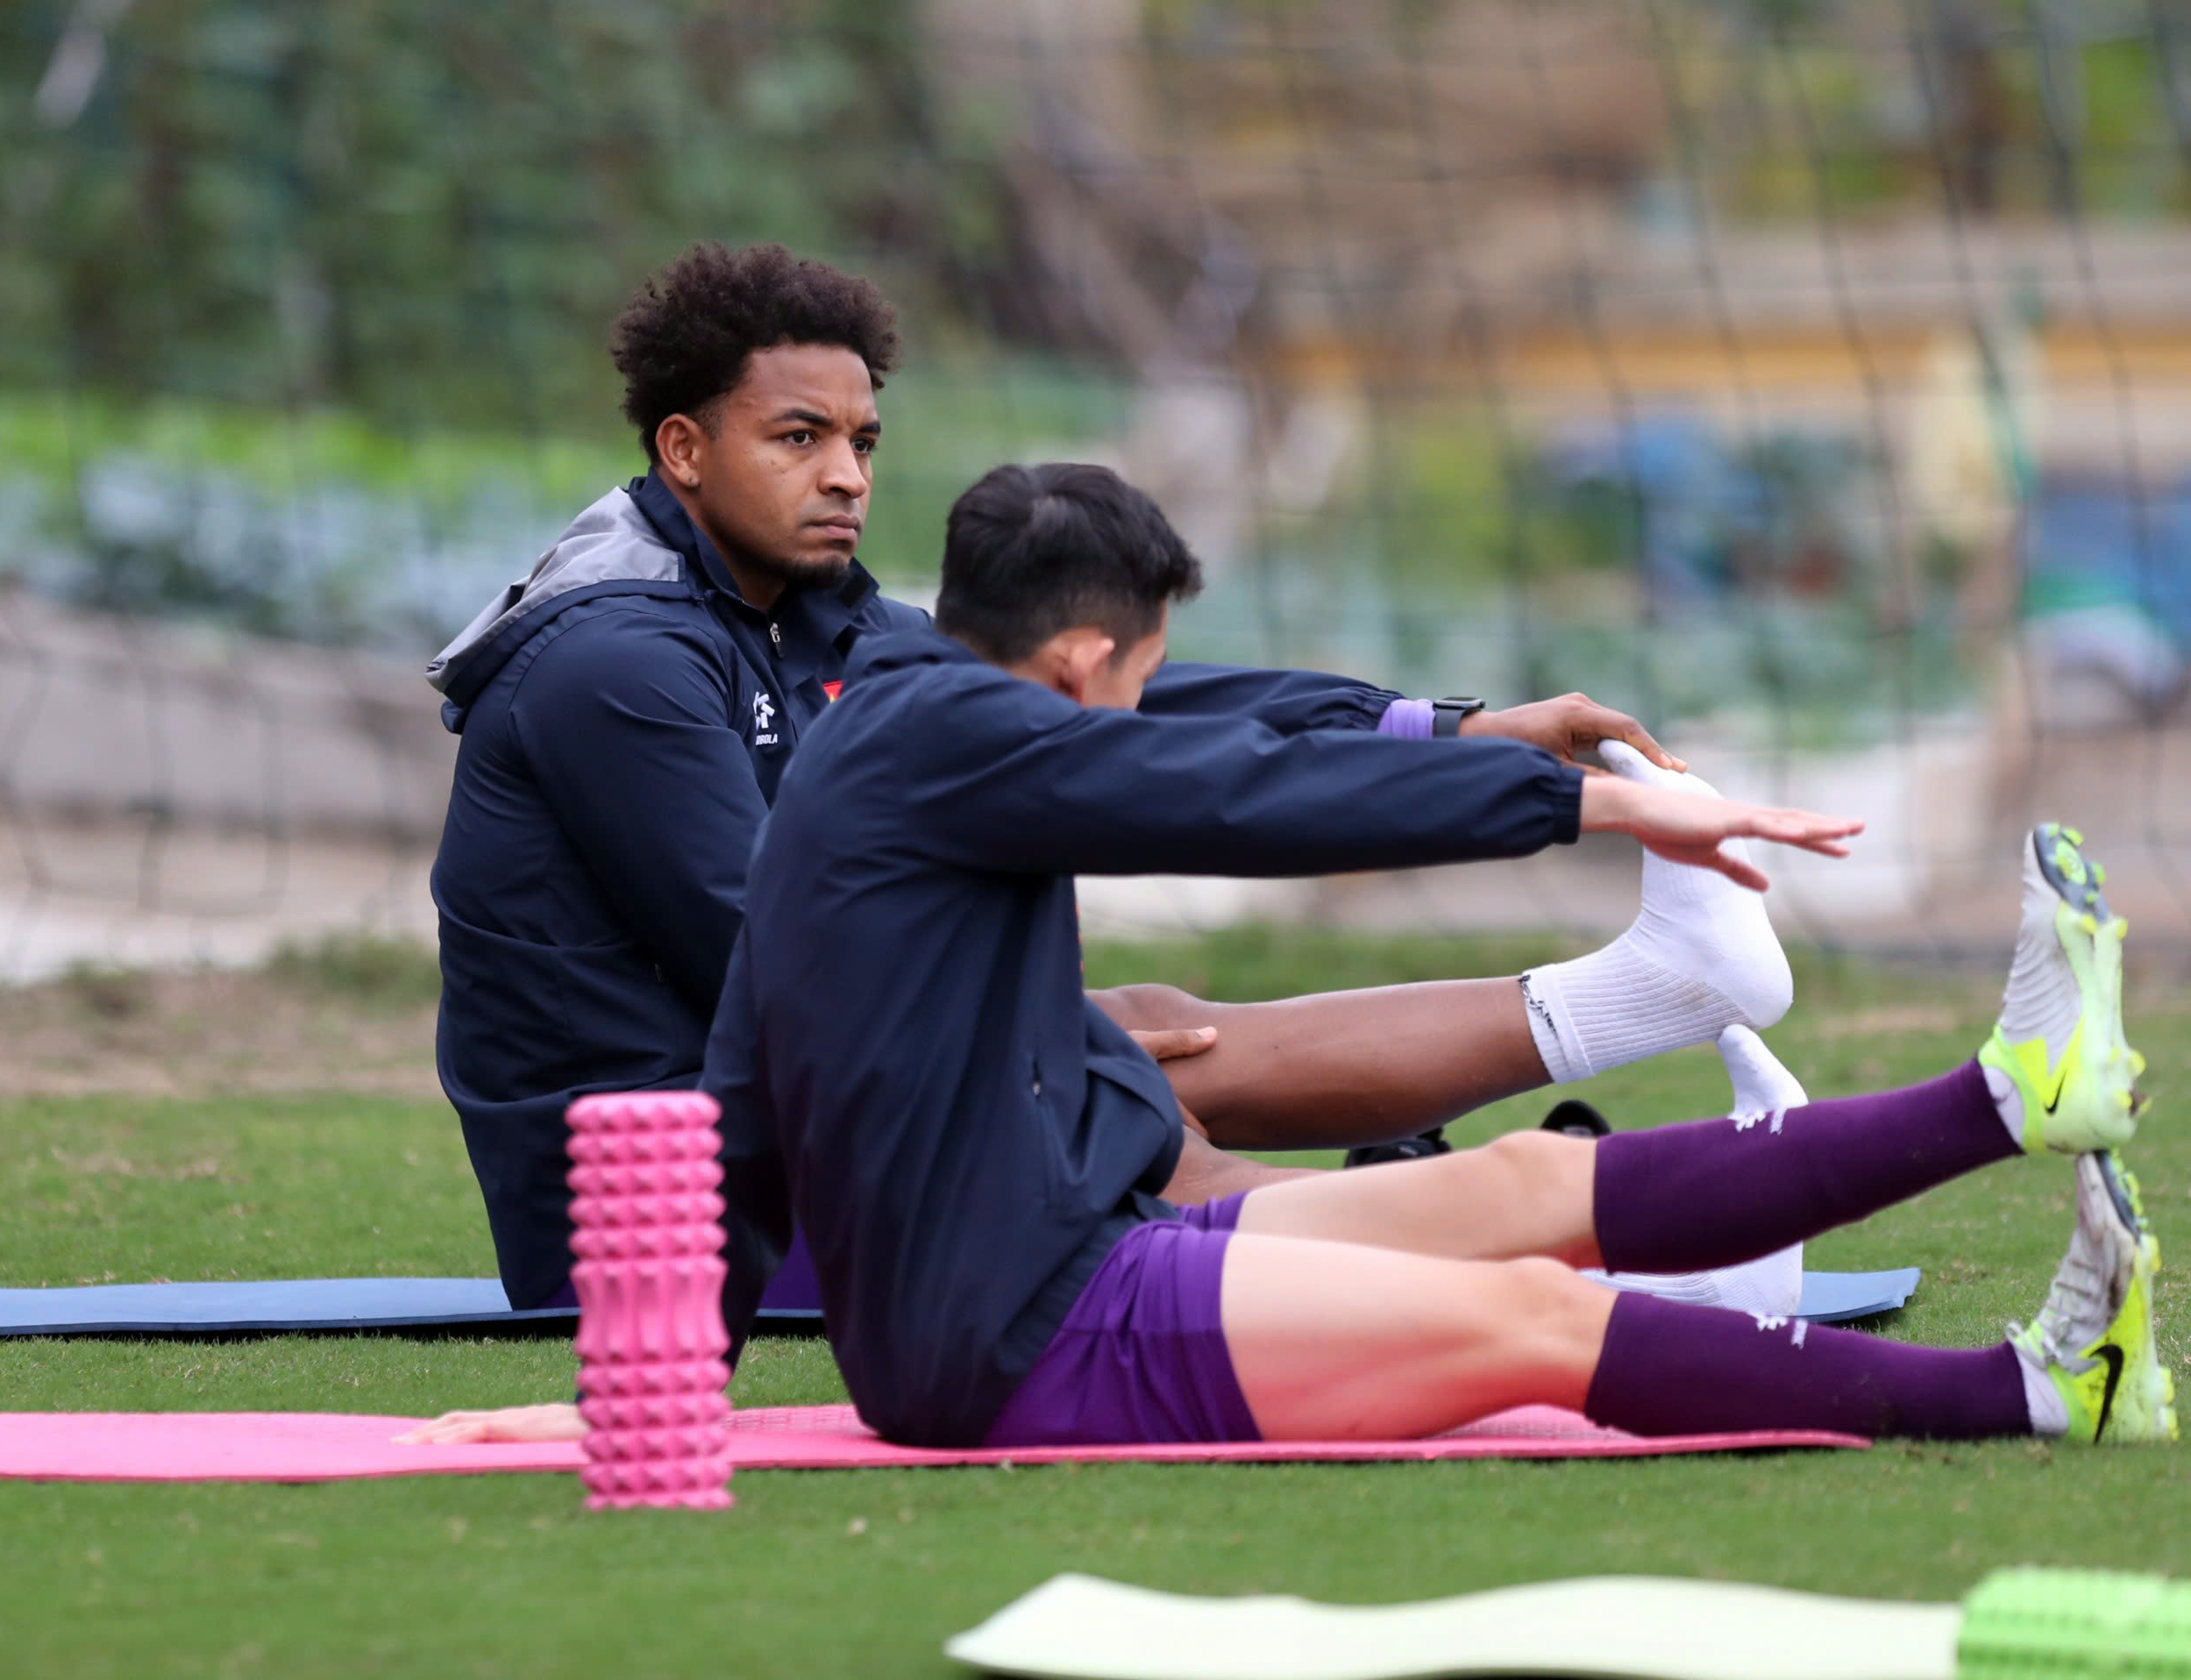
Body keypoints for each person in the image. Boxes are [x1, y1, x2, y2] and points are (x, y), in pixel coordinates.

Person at [399, 464, 2173, 1452]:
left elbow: (738, 1075)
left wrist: (1479, 731)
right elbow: (1222, 783)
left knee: (1509, 1202)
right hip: (1018, 1340)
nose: (1146, 691)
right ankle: (2023, 1390)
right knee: (1530, 1322)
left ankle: (2016, 1094)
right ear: (1082, 656)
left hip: (1065, 1255)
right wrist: (1582, 813)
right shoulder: (946, 742)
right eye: (1136, 664)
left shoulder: (913, 718)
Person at [424, 240, 1798, 1334]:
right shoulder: (613, 663)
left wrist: (1449, 730)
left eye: (863, 440)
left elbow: (1104, 694)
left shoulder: (810, 607)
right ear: (682, 450)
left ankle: (1657, 991)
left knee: (1152, 1030)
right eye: (797, 439)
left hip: (813, 1116)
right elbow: (765, 955)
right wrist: (1029, 1048)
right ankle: (1622, 1273)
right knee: (1128, 1112)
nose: (846, 476)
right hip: (665, 1217)